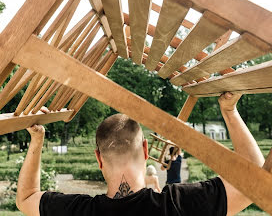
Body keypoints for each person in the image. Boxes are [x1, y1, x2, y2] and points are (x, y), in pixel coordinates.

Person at [16, 92, 265, 216]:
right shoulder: (178, 205)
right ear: (146, 150)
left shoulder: (79, 210)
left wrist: (37, 140)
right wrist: (230, 111)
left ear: (98, 158)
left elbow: (26, 198)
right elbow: (256, 182)